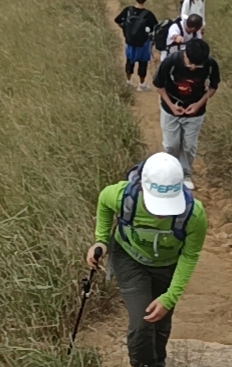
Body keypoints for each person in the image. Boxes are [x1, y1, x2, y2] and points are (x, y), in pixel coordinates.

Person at [86, 152, 207, 367]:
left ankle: (157, 361)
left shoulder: (194, 215)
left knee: (161, 319)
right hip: (129, 258)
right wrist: (101, 240)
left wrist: (169, 298)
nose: (161, 214)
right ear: (143, 187)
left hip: (168, 265)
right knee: (142, 322)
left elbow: (189, 256)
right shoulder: (123, 196)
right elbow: (104, 200)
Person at [154, 38, 220, 187]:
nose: (194, 68)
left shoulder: (210, 64)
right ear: (186, 55)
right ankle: (171, 174)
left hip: (195, 112)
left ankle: (185, 175)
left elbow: (213, 87)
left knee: (189, 145)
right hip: (170, 109)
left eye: (198, 65)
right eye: (191, 64)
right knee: (171, 145)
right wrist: (171, 105)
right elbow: (159, 85)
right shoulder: (171, 62)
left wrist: (198, 105)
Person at [115, 0, 159, 89]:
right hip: (143, 44)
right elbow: (156, 27)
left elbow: (117, 20)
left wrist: (125, 28)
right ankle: (142, 84)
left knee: (129, 61)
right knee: (143, 63)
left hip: (130, 42)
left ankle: (128, 81)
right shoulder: (148, 15)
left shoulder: (128, 10)